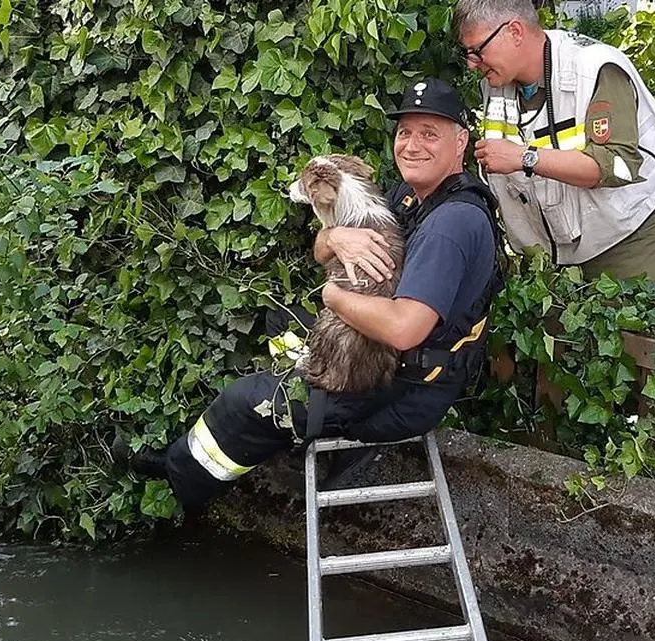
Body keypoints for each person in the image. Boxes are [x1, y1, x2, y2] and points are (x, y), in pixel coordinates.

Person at [122, 79, 501, 509]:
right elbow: (323, 251)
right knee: (278, 319)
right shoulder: (410, 198)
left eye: (429, 133)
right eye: (404, 132)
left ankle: (179, 476)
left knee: (245, 401)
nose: (412, 146)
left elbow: (404, 329)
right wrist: (336, 236)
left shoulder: (451, 225)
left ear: (461, 141)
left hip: (398, 388)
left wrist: (333, 298)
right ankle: (305, 422)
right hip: (377, 357)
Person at [453, 0, 655, 281]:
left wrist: (524, 157)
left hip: (626, 230)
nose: (471, 64)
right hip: (558, 240)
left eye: (478, 51)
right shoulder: (496, 84)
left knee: (625, 310)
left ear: (515, 31)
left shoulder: (592, 68)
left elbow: (618, 166)